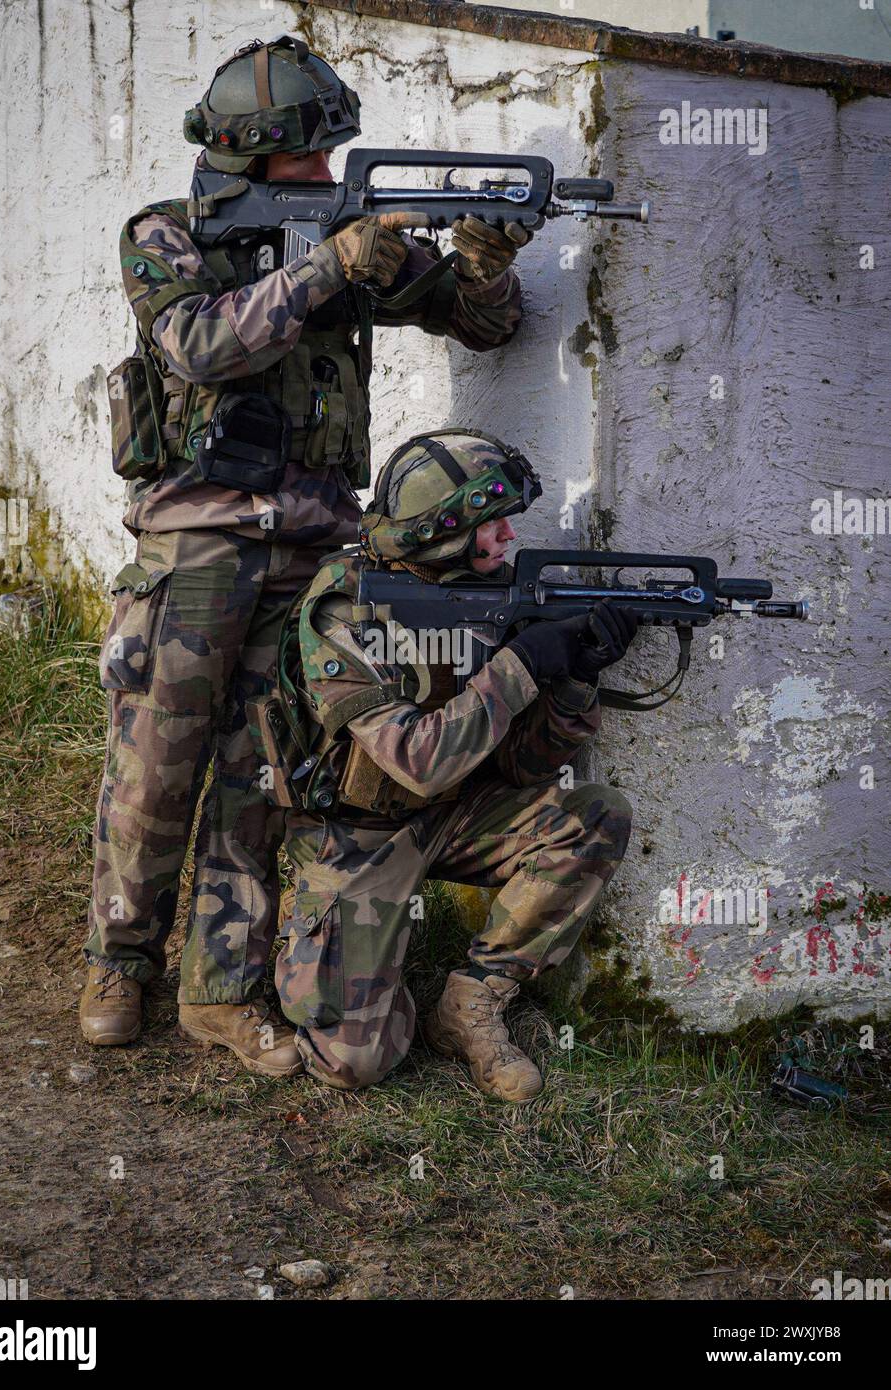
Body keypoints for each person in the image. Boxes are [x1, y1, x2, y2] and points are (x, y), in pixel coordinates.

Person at [80, 35, 530, 1075]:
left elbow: (481, 325)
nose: (329, 175)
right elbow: (196, 343)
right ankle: (118, 958)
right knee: (154, 768)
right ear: (249, 155)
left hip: (315, 546)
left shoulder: (347, 231)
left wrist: (485, 259)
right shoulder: (167, 233)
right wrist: (332, 264)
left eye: (335, 157)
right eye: (309, 160)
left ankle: (219, 988)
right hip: (194, 540)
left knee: (261, 774)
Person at [262, 429, 637, 1101]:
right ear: (441, 532)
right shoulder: (346, 605)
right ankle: (330, 938)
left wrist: (576, 677)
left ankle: (469, 1004)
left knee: (593, 818)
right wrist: (521, 668)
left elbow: (526, 767)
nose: (507, 539)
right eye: (490, 524)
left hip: (458, 812)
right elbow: (419, 761)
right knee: (354, 1061)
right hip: (359, 835)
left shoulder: (488, 595)